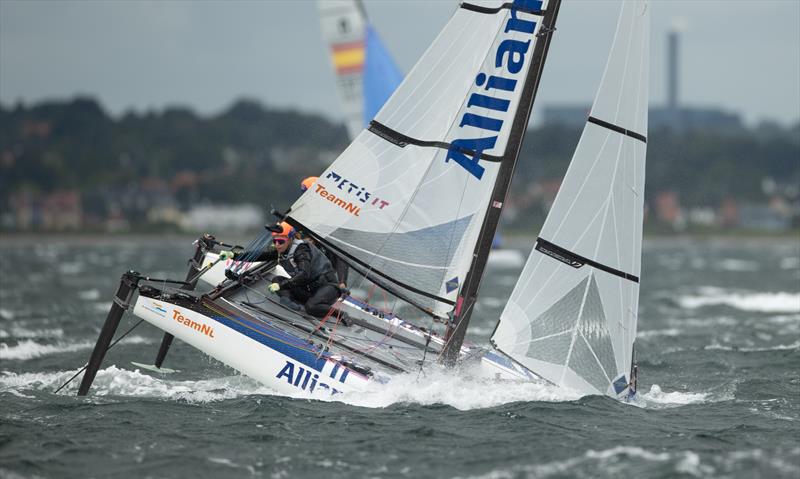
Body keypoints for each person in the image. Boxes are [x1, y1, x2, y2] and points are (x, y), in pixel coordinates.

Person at [219, 222, 345, 319]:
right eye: (275, 241)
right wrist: (233, 255)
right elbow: (258, 255)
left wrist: (281, 286)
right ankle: (290, 301)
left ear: (290, 239)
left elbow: (303, 275)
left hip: (328, 288)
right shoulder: (281, 251)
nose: (277, 244)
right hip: (309, 289)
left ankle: (340, 314)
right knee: (276, 279)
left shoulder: (302, 250)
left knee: (311, 307)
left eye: (280, 241)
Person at [299, 176, 349, 291]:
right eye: (304, 194)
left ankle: (342, 284)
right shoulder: (302, 211)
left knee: (341, 252)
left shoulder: (333, 212)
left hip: (324, 258)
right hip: (303, 255)